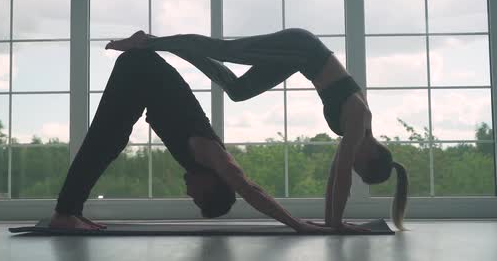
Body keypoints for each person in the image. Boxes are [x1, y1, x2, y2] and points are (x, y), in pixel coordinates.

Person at [106, 28, 409, 231]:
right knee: (225, 50)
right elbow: (342, 172)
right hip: (301, 47)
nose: (353, 164)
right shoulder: (359, 116)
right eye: (360, 168)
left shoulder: (357, 131)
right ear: (371, 155)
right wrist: (338, 225)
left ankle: (161, 44)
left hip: (297, 59)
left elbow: (335, 174)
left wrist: (332, 224)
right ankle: (147, 41)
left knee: (238, 90)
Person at [49, 47, 340, 233]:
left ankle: (70, 211)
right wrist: (297, 224)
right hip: (141, 70)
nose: (189, 194)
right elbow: (251, 190)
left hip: (141, 75)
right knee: (103, 143)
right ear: (214, 183)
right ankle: (65, 213)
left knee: (107, 144)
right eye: (198, 196)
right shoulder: (213, 156)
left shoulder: (199, 161)